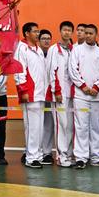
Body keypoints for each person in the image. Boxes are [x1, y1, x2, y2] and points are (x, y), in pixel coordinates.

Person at [68, 23, 99, 169]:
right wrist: (83, 86)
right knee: (81, 126)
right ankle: (81, 157)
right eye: (85, 33)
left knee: (96, 126)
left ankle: (96, 156)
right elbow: (72, 70)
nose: (87, 35)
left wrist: (96, 87)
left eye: (91, 33)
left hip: (97, 96)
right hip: (81, 95)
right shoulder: (76, 50)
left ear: (96, 35)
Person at [14, 22, 48, 168]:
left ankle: (38, 155)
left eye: (38, 31)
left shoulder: (38, 49)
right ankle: (31, 157)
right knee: (32, 127)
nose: (38, 34)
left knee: (39, 127)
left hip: (40, 94)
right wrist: (23, 91)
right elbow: (19, 71)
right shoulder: (22, 49)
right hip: (30, 95)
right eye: (35, 31)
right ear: (27, 33)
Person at [48, 21, 75, 167]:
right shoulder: (54, 50)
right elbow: (52, 71)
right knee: (61, 125)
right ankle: (61, 156)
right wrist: (56, 91)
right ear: (60, 31)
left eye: (69, 30)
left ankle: (69, 154)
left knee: (70, 125)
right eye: (64, 30)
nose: (67, 33)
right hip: (60, 94)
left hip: (71, 94)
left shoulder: (72, 49)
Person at [38, 29, 55, 164]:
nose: (46, 40)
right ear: (39, 40)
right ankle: (32, 152)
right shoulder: (33, 53)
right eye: (44, 38)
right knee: (35, 125)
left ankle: (47, 153)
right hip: (37, 95)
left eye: (48, 38)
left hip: (50, 94)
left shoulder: (53, 53)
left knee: (48, 124)